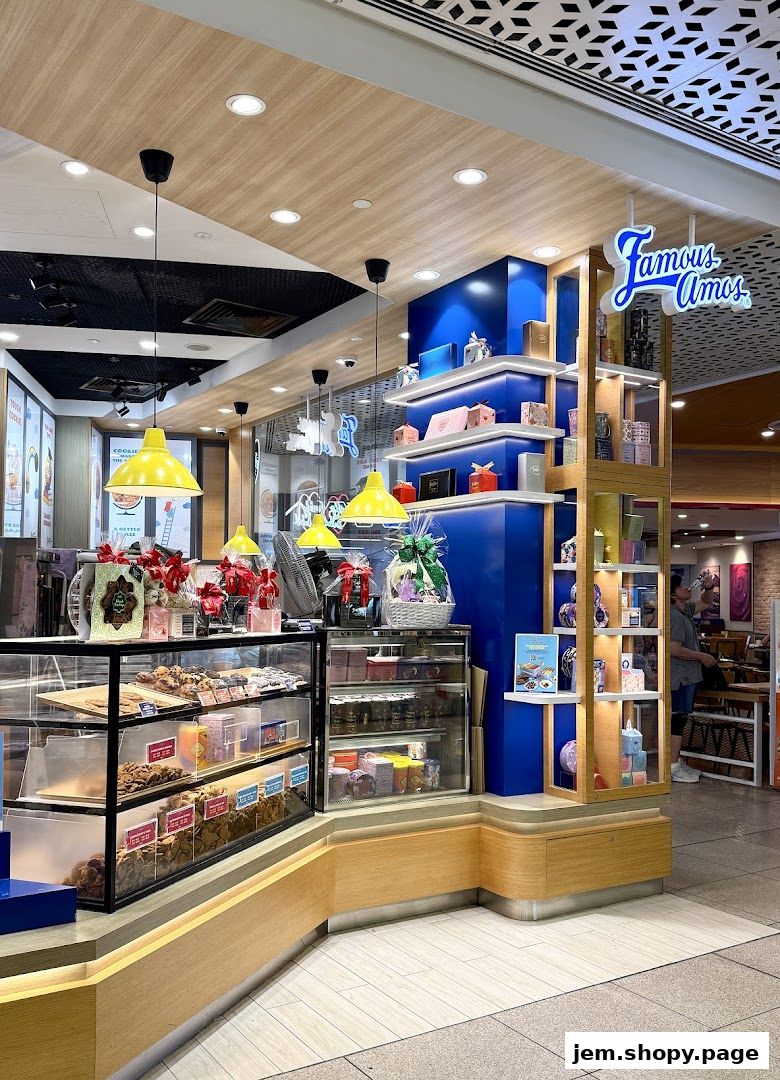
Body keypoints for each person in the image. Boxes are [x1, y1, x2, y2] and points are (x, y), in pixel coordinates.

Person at [669, 572, 718, 783]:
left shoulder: (686, 610)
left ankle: (675, 761)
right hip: (679, 675)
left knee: (682, 717)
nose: (687, 587)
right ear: (672, 594)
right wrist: (702, 656)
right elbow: (674, 649)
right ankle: (671, 765)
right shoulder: (672, 615)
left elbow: (706, 603)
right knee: (678, 718)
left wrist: (708, 588)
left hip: (689, 676)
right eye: (682, 586)